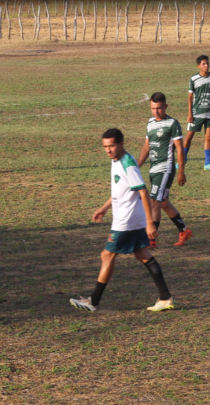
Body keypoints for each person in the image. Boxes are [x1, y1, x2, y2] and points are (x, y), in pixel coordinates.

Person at [70, 129, 175, 313]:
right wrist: (104, 207)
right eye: (105, 146)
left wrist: (150, 223)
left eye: (111, 145)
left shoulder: (128, 163)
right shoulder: (117, 160)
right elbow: (122, 190)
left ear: (121, 144)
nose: (108, 150)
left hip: (126, 222)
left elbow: (143, 191)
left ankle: (93, 301)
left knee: (107, 255)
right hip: (131, 220)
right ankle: (165, 297)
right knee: (142, 254)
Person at [136, 92, 193, 248]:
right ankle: (184, 230)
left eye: (159, 108)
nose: (156, 112)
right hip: (154, 168)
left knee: (154, 201)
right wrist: (137, 166)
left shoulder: (172, 124)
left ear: (166, 106)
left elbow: (180, 149)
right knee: (163, 202)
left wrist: (181, 170)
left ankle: (151, 240)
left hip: (165, 167)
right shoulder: (150, 123)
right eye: (153, 108)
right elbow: (146, 147)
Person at [184, 55, 210, 169]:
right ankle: (182, 159)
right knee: (189, 136)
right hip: (196, 113)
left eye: (207, 63)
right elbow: (190, 97)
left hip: (209, 113)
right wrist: (190, 113)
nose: (206, 66)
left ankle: (207, 163)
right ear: (198, 66)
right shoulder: (194, 79)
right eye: (204, 64)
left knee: (208, 137)